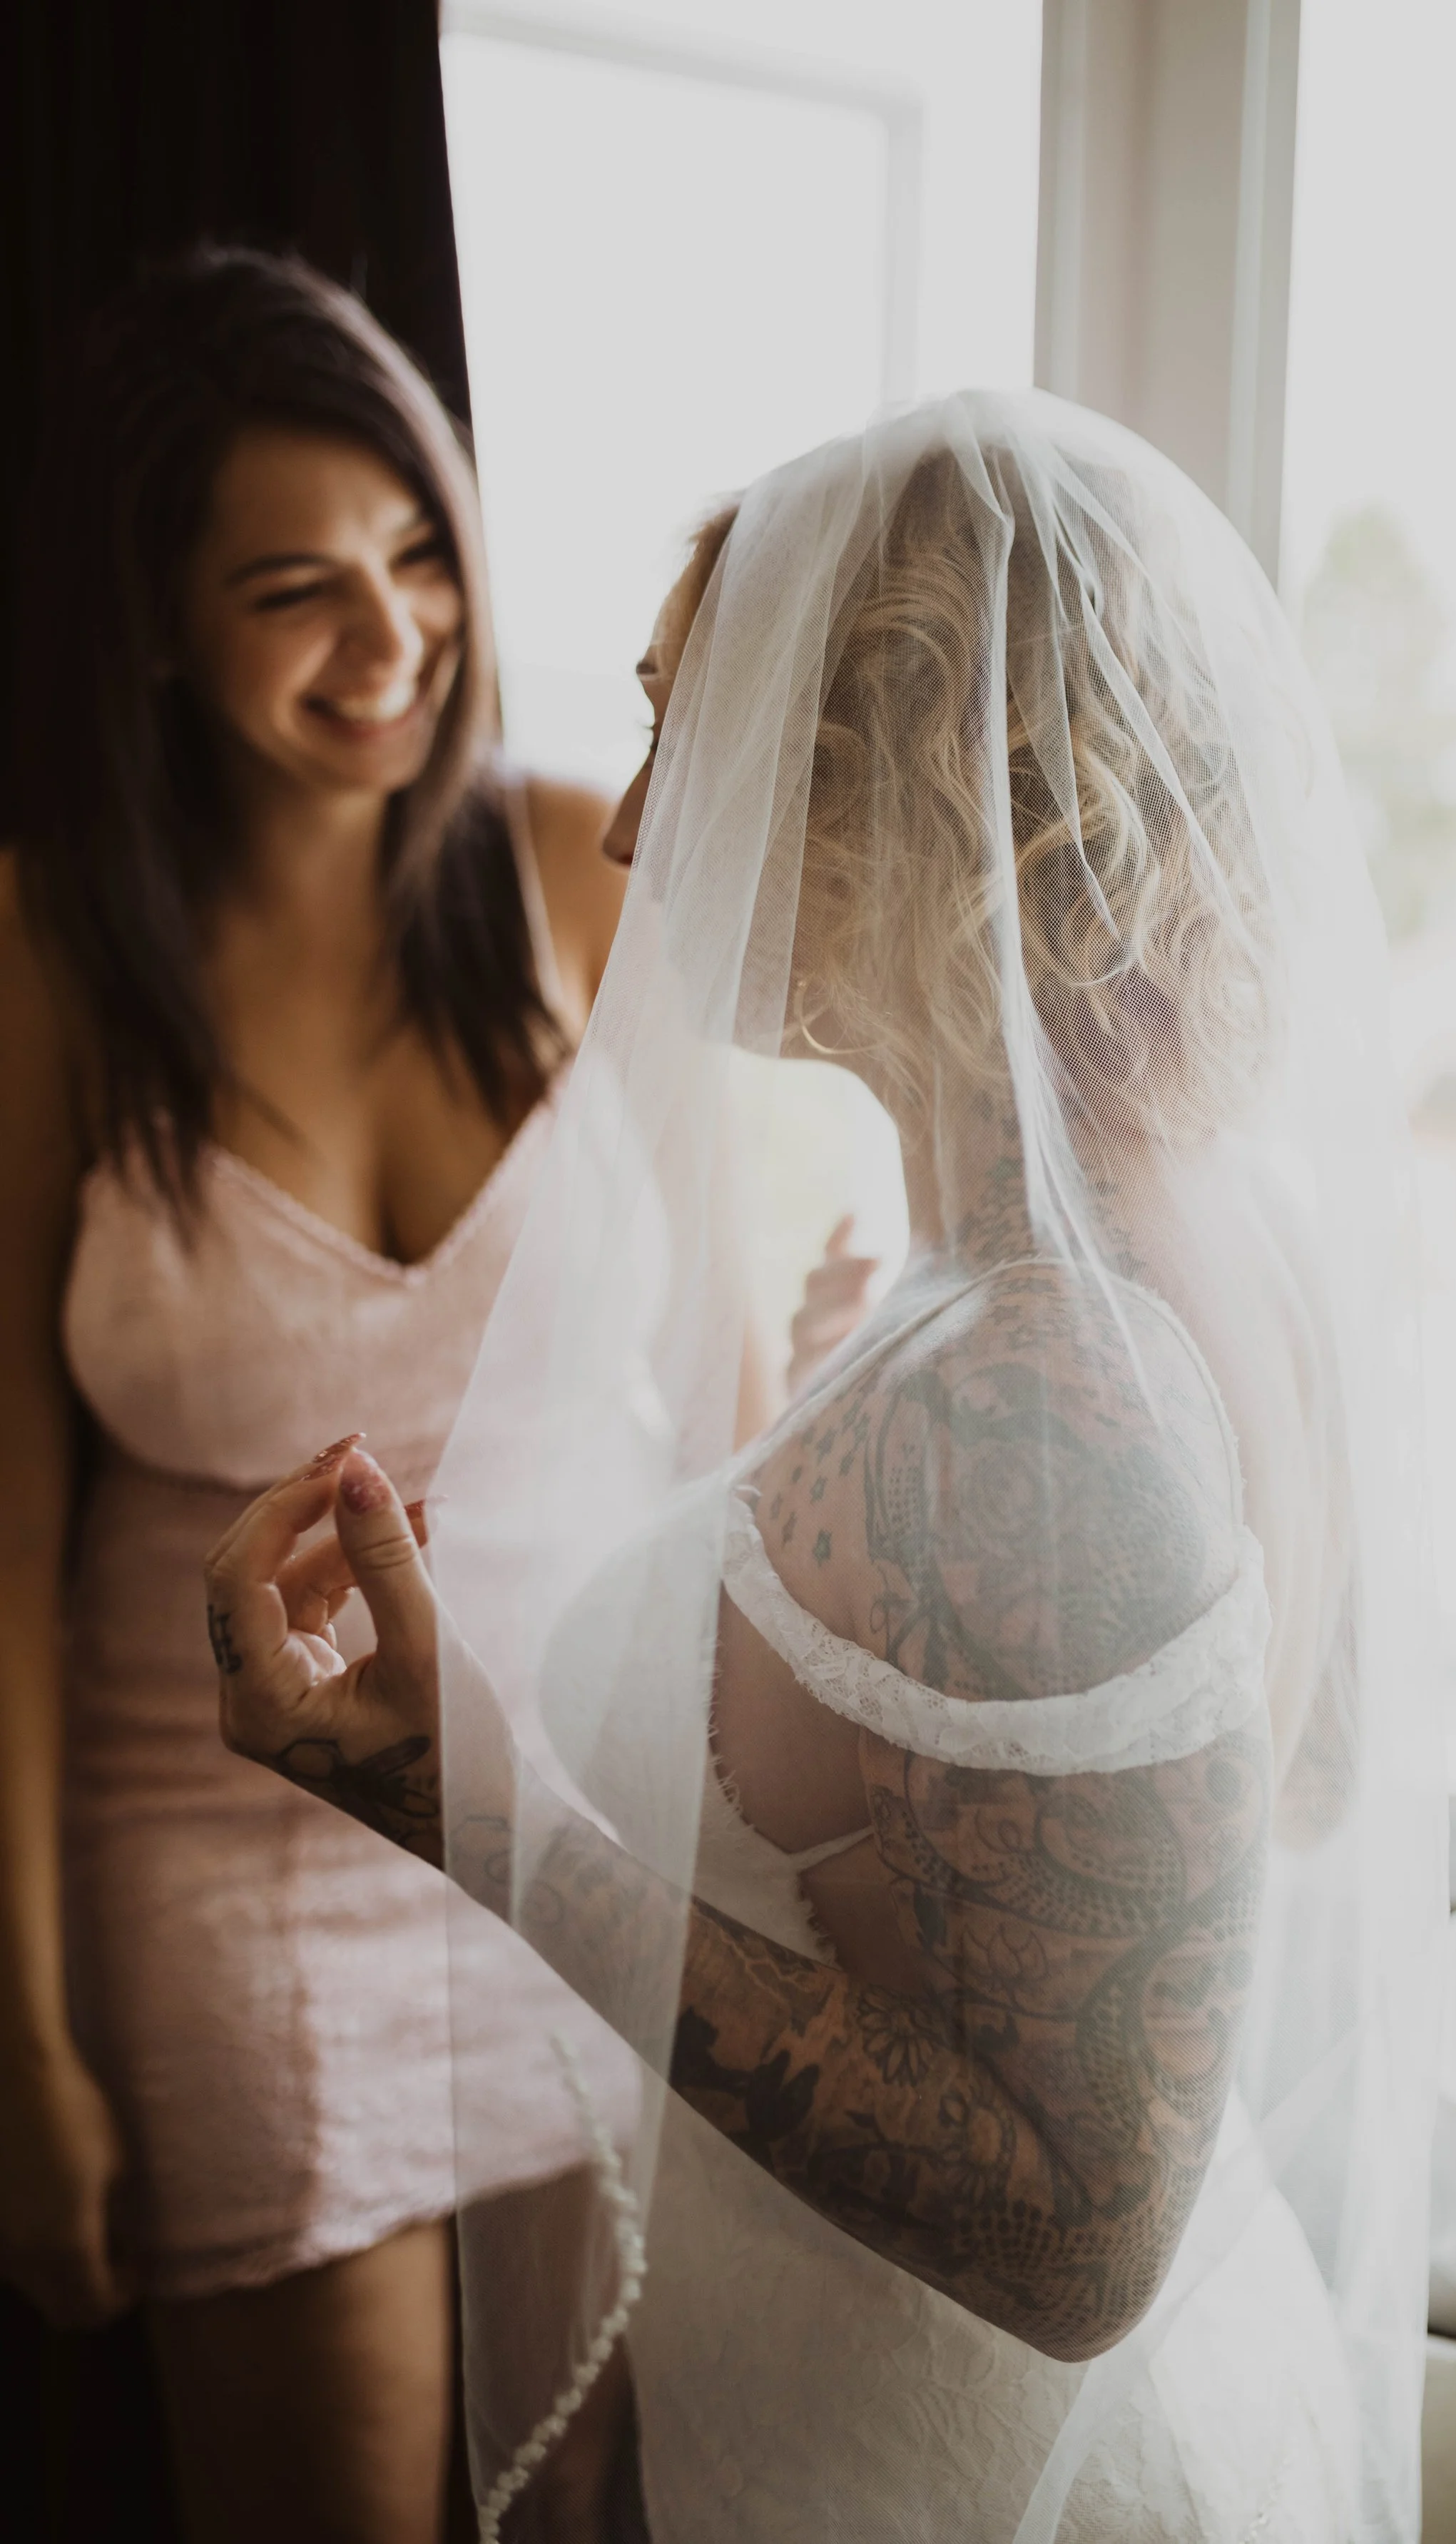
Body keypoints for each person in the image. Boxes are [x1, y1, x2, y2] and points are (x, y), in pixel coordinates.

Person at [207, 395, 1445, 2542]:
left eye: (694, 723)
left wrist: (463, 1805)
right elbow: (1276, 1790)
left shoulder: (1037, 1383)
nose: (623, 832)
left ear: (891, 782)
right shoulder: (1114, 1252)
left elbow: (1073, 2234)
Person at [0, 246, 866, 2544]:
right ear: (156, 626)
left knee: (607, 2504)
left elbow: (729, 1418)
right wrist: (26, 2044)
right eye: (293, 587)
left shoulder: (590, 889)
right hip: (224, 1888)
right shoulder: (51, 952)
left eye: (418, 558)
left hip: (584, 1846)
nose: (388, 641)